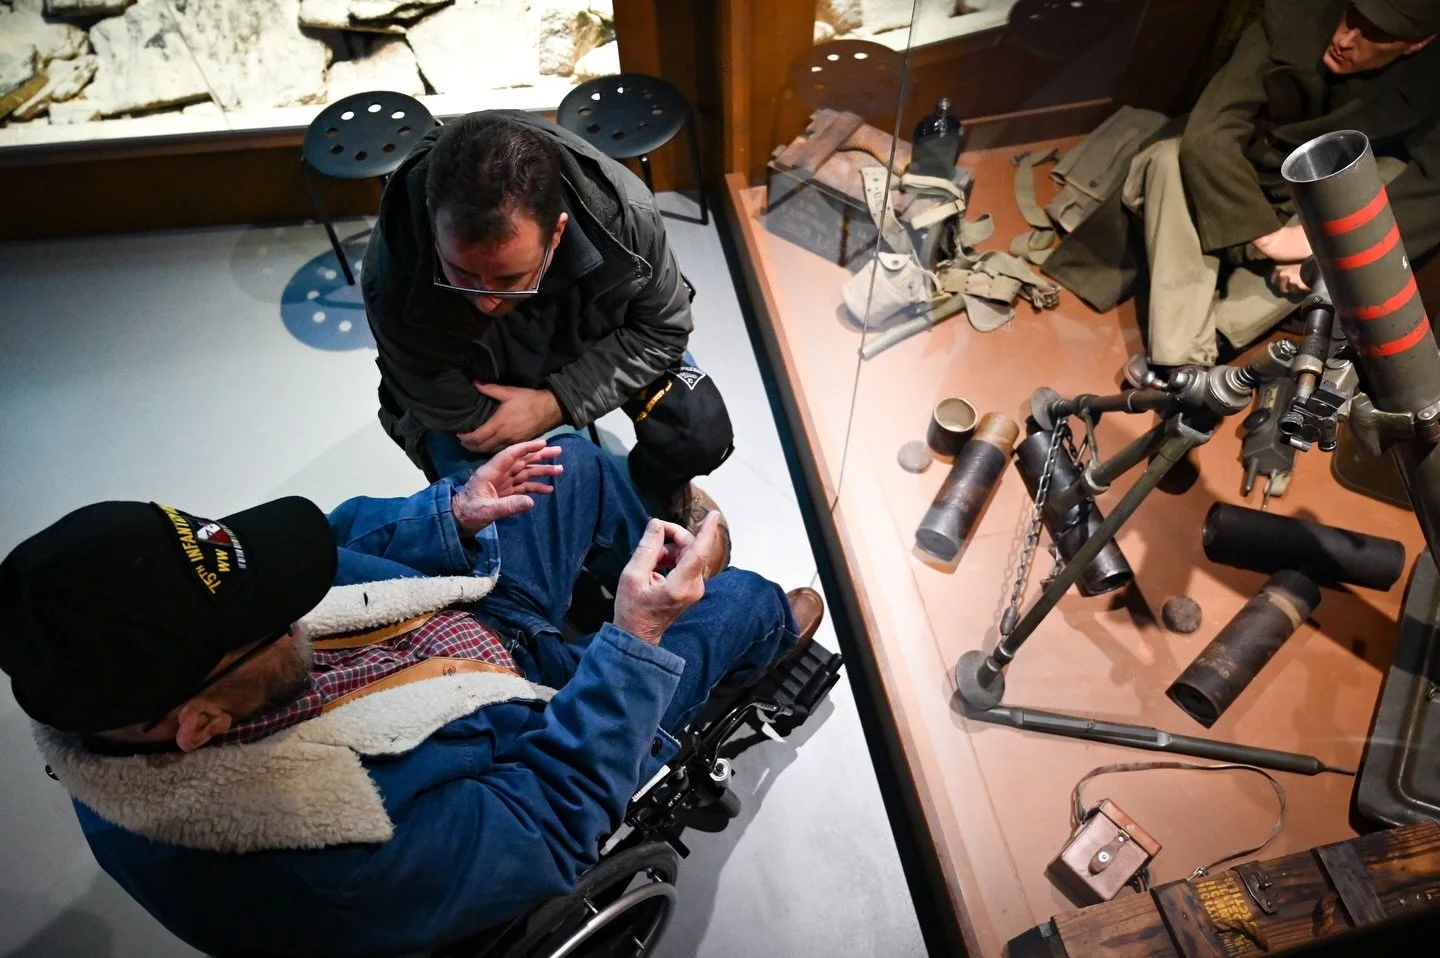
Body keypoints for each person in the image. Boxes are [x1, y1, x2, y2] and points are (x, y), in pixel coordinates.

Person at [0, 434, 823, 957]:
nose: (297, 610)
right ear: (200, 724)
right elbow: (546, 818)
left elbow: (326, 545)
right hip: (538, 724)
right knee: (741, 601)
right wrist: (633, 641)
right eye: (274, 621)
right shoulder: (323, 860)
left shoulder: (155, 659)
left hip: (463, 632)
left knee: (566, 464)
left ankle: (640, 567)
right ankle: (756, 635)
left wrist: (452, 514)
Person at [363, 109, 735, 529]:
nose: (486, 301)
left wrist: (556, 403)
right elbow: (447, 403)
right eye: (462, 272)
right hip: (477, 386)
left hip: (594, 343)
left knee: (697, 430)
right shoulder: (391, 272)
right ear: (435, 226)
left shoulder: (623, 215)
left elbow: (663, 329)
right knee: (499, 513)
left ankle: (655, 489)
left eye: (509, 278)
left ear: (557, 233)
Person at [1045, 0, 1440, 374]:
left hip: (1314, 203)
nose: (1345, 39)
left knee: (1378, 189)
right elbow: (1214, 130)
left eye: (1376, 33)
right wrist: (1267, 236)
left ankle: (1199, 351)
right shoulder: (1298, 15)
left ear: (1418, 43)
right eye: (1352, 17)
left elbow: (1429, 193)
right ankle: (1185, 364)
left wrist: (1320, 249)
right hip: (1239, 169)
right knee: (1168, 158)